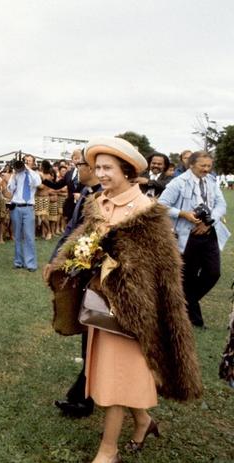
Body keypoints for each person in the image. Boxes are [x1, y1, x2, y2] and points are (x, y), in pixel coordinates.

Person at [50, 136, 202, 463]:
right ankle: (144, 422)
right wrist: (70, 261)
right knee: (114, 373)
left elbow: (160, 270)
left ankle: (108, 451)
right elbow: (81, 243)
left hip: (130, 313)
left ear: (128, 171)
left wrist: (114, 268)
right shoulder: (98, 202)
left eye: (108, 168)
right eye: (98, 167)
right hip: (100, 308)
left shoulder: (147, 211)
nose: (101, 173)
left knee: (118, 377)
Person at [44, 149, 102, 418]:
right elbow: (70, 230)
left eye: (79, 163)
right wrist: (55, 260)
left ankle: (83, 398)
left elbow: (85, 237)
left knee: (94, 335)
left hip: (94, 276)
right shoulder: (87, 194)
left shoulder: (101, 197)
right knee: (87, 334)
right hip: (78, 271)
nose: (75, 167)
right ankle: (82, 395)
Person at [158, 151, 230, 328]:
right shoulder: (178, 183)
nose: (206, 169)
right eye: (202, 166)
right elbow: (161, 205)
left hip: (209, 233)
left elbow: (222, 204)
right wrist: (183, 214)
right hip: (187, 236)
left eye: (209, 166)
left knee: (213, 273)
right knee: (188, 277)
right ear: (191, 165)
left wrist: (209, 221)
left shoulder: (212, 181)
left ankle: (179, 305)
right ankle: (194, 320)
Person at [7, 155, 41, 271]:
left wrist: (28, 169)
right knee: (17, 236)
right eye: (25, 161)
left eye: (29, 161)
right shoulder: (16, 174)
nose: (26, 162)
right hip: (16, 206)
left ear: (32, 163)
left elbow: (37, 183)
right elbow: (10, 189)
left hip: (28, 207)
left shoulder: (34, 174)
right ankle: (18, 262)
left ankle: (30, 263)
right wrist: (13, 175)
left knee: (29, 236)